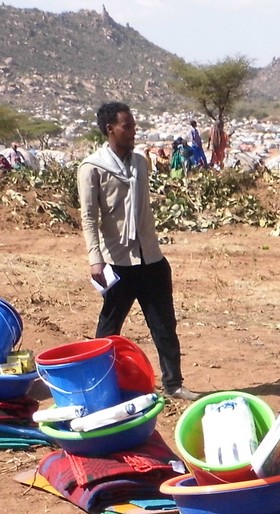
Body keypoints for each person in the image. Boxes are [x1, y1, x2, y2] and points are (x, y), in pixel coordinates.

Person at [78, 101, 198, 402]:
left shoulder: (141, 163)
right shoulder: (92, 168)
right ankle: (98, 386)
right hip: (118, 261)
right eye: (127, 126)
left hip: (151, 258)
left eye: (133, 125)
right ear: (110, 130)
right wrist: (96, 259)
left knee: (164, 325)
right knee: (109, 328)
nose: (133, 131)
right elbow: (89, 218)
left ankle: (173, 384)